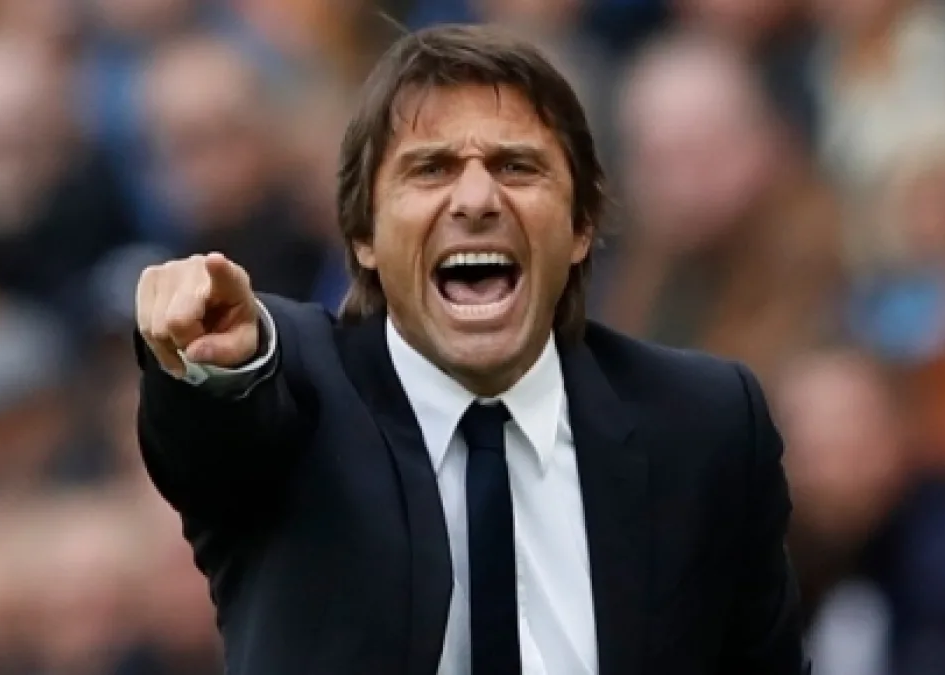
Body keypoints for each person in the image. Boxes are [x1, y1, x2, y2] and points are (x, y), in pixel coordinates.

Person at [134, 24, 807, 675]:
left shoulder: (705, 425)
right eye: (431, 169)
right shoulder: (298, 397)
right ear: (364, 236)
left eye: (517, 166)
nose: (478, 199)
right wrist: (218, 364)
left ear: (581, 227)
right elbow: (218, 432)